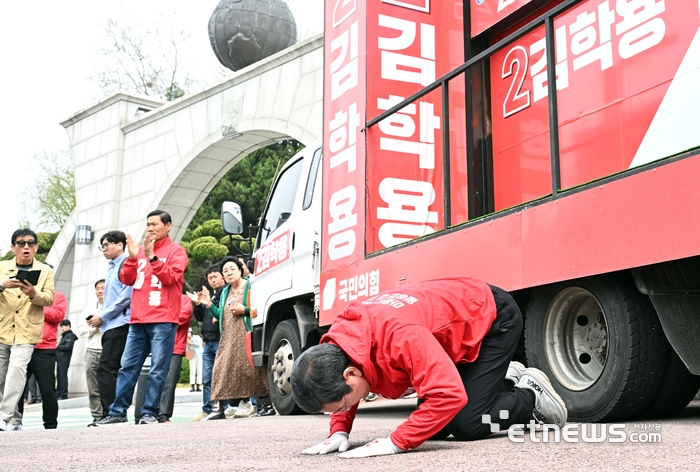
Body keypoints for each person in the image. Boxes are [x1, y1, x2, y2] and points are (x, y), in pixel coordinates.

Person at [291, 277, 567, 458]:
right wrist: (339, 430)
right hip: (447, 335)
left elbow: (449, 395)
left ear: (350, 374)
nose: (342, 411)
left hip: (490, 319)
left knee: (468, 424)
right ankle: (502, 382)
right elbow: (339, 379)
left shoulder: (399, 337)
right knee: (432, 427)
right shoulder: (343, 342)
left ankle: (529, 396)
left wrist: (396, 442)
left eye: (341, 406)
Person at [96, 210, 188, 426]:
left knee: (158, 368)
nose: (150, 228)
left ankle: (149, 412)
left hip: (163, 319)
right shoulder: (139, 252)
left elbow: (170, 277)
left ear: (168, 226)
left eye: (155, 224)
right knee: (127, 366)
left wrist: (152, 256)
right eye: (148, 224)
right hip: (137, 320)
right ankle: (118, 412)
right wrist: (131, 257)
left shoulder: (177, 251)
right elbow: (127, 279)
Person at [199, 256, 275, 419]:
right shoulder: (225, 291)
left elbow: (259, 308)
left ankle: (267, 406)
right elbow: (221, 314)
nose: (229, 273)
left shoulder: (251, 286)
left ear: (240, 270)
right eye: (225, 271)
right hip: (228, 337)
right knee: (220, 369)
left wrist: (244, 310)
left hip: (246, 333)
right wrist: (209, 305)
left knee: (253, 370)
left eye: (232, 269)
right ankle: (217, 410)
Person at [0, 229, 55, 431]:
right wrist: (2, 285)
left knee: (16, 371)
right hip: (2, 328)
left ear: (36, 247)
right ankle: (14, 421)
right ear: (13, 247)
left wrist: (34, 293)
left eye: (31, 243)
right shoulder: (2, 268)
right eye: (21, 243)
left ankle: (4, 416)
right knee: (1, 376)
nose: (26, 247)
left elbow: (49, 298)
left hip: (27, 331)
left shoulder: (45, 271)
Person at [88, 231, 132, 423]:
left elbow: (126, 295)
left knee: (107, 367)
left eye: (106, 245)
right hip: (110, 325)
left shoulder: (125, 264)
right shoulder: (112, 267)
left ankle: (113, 413)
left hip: (120, 324)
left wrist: (103, 315)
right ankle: (111, 413)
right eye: (102, 246)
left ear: (120, 245)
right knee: (108, 368)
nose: (103, 249)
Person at [15, 286, 66, 430]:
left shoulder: (57, 296)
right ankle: (14, 423)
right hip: (22, 345)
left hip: (44, 349)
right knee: (16, 389)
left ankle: (50, 426)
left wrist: (37, 303)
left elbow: (58, 315)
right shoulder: (21, 293)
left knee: (47, 390)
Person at [188, 265, 225, 421]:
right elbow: (201, 318)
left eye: (216, 276)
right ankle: (207, 408)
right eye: (210, 278)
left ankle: (224, 407)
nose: (213, 280)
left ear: (222, 277)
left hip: (220, 339)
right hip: (207, 342)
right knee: (207, 378)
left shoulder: (226, 293)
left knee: (220, 376)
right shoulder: (210, 296)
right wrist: (197, 304)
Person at [156, 294, 193, 423]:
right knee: (154, 379)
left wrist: (162, 314)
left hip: (175, 347)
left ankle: (163, 415)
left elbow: (183, 316)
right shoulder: (157, 297)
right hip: (156, 346)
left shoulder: (184, 299)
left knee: (169, 382)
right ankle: (149, 412)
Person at [77, 279, 105, 425]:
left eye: (103, 288)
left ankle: (109, 414)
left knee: (108, 385)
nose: (100, 291)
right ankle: (97, 416)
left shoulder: (113, 307)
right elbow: (81, 330)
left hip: (108, 352)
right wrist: (94, 328)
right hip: (91, 351)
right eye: (98, 288)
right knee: (93, 388)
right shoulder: (89, 310)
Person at [56, 319, 78, 399]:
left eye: (64, 326)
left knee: (62, 376)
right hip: (60, 359)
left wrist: (57, 347)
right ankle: (59, 393)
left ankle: (63, 394)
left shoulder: (70, 336)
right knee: (59, 377)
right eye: (61, 327)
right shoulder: (65, 336)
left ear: (68, 326)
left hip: (64, 359)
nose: (62, 328)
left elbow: (67, 347)